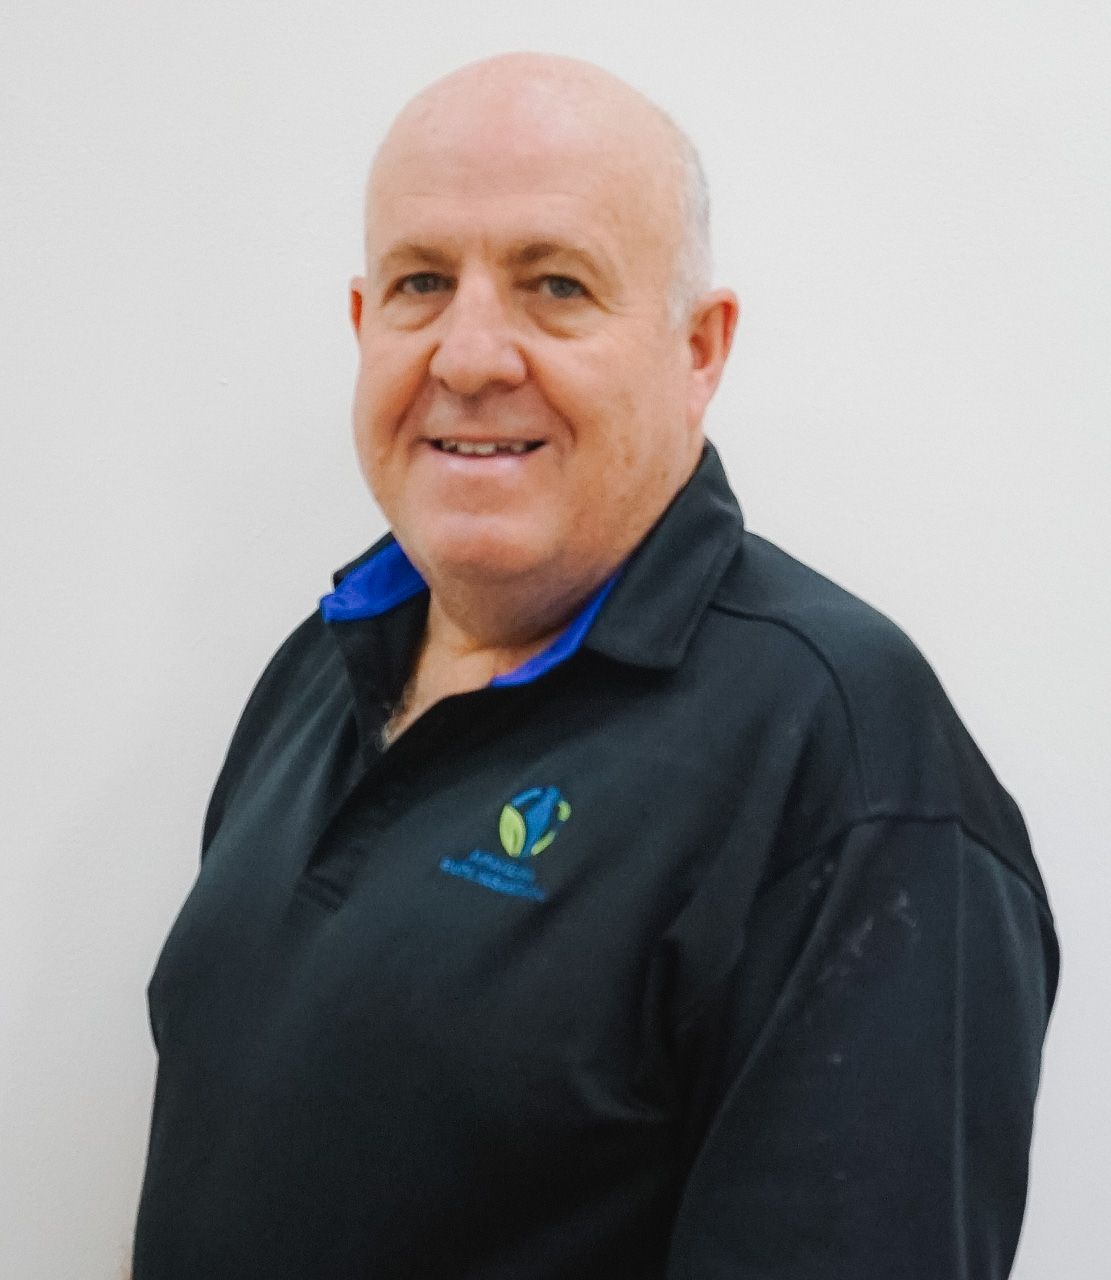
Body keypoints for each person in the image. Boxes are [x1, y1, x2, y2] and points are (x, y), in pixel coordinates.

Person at [131, 53, 1058, 1280]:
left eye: (554, 284)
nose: (468, 356)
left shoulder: (843, 761)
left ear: (698, 348)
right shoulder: (321, 663)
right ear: (363, 324)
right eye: (421, 283)